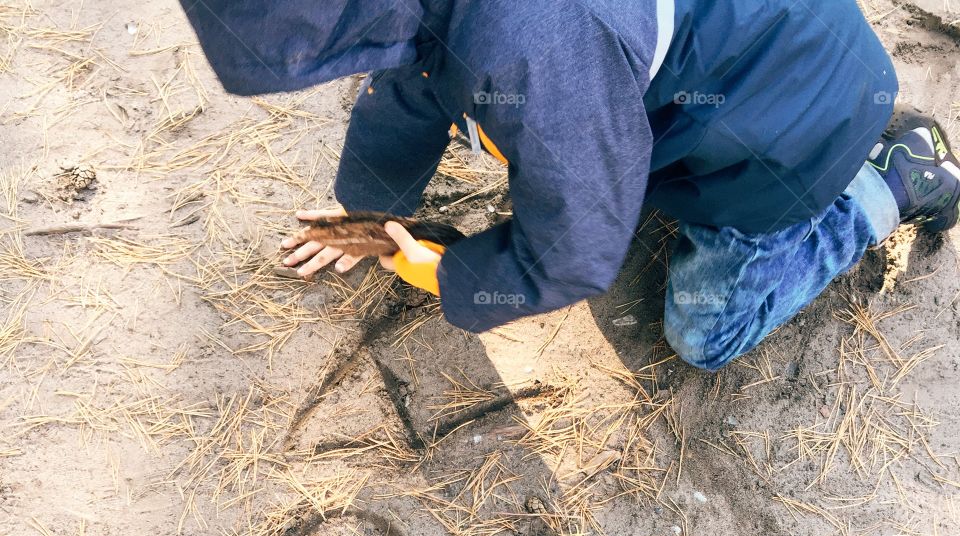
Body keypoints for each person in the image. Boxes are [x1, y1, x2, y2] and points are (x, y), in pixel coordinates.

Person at [179, 0, 960, 371]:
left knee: (703, 337)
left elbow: (577, 249)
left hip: (796, 128)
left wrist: (451, 272)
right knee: (555, 124)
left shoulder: (536, 49)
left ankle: (894, 179)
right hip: (749, 47)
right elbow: (417, 67)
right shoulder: (470, 25)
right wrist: (370, 207)